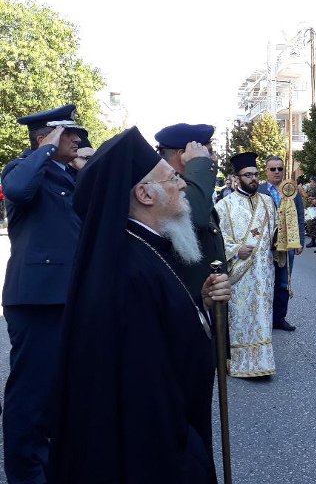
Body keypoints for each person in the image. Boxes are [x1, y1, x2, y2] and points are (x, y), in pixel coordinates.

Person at [48, 127, 231, 482]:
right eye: (173, 179)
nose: (181, 185)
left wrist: (202, 303)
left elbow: (163, 324)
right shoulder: (130, 268)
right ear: (145, 194)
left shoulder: (147, 248)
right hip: (157, 452)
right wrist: (185, 458)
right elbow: (146, 389)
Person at [1, 104, 85, 483]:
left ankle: (51, 467)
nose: (78, 139)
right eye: (69, 133)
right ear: (45, 137)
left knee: (58, 391)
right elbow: (17, 190)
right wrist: (46, 149)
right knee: (31, 396)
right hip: (36, 299)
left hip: (67, 296)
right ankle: (25, 474)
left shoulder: (67, 174)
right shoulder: (22, 169)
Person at [216, 152, 278, 377]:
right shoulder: (224, 206)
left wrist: (281, 242)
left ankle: (263, 363)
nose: (254, 179)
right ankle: (240, 363)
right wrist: (235, 250)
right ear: (236, 177)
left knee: (262, 317)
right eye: (248, 175)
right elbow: (217, 239)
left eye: (255, 174)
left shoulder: (268, 203)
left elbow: (275, 232)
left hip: (264, 272)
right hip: (240, 274)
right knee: (241, 319)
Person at [155, 123, 226, 304]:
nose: (213, 158)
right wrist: (199, 165)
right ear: (182, 155)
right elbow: (197, 216)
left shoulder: (190, 186)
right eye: (207, 152)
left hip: (204, 298)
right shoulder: (163, 188)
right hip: (187, 300)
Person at [258, 156, 304, 332]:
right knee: (265, 282)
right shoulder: (259, 190)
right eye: (273, 169)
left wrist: (300, 241)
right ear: (266, 171)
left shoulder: (291, 189)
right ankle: (264, 319)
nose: (277, 172)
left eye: (280, 168)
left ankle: (279, 318)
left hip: (288, 244)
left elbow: (300, 215)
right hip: (265, 246)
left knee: (283, 283)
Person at [304, 177, 316, 248]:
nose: (311, 183)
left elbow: (306, 196)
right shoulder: (311, 189)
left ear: (315, 183)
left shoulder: (315, 190)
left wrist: (300, 188)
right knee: (310, 225)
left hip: (313, 209)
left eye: (312, 182)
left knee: (312, 225)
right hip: (310, 208)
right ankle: (313, 241)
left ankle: (313, 241)